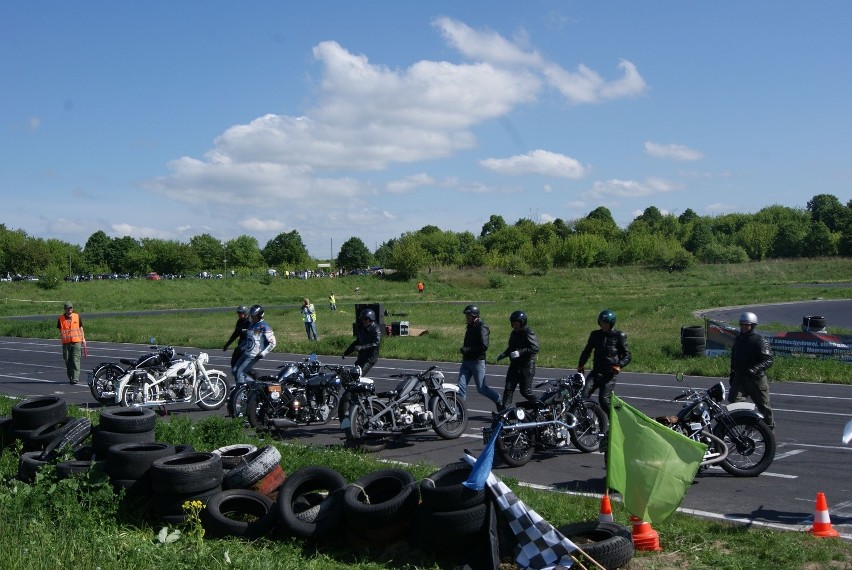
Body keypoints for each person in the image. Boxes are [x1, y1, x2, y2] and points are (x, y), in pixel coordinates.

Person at [578, 309, 631, 416]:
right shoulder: (595, 335)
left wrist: (619, 365)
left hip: (609, 375)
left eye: (606, 323)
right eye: (602, 322)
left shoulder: (619, 336)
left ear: (611, 323)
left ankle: (614, 422)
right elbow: (587, 350)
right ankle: (584, 422)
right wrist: (581, 364)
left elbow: (628, 355)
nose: (604, 325)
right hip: (595, 372)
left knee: (603, 400)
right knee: (582, 397)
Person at [729, 311, 775, 429]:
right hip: (740, 377)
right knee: (734, 401)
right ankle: (748, 419)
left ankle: (769, 430)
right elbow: (734, 357)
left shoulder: (759, 340)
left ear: (752, 325)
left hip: (756, 379)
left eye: (746, 325)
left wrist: (754, 369)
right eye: (742, 324)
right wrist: (732, 373)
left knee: (764, 406)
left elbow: (769, 359)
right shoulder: (738, 340)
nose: (744, 327)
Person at [458, 305, 502, 411]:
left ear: (474, 316)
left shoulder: (482, 327)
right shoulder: (470, 326)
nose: (467, 318)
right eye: (466, 316)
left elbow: (484, 346)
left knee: (482, 388)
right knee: (461, 386)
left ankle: (498, 399)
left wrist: (468, 350)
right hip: (466, 361)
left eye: (468, 316)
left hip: (477, 362)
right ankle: (459, 412)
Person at [496, 310, 540, 408]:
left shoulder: (528, 332)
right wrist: (504, 354)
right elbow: (512, 347)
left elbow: (535, 348)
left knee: (525, 391)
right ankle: (505, 411)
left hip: (527, 365)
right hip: (515, 365)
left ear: (522, 323)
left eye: (517, 324)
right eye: (513, 324)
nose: (515, 326)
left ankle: (542, 405)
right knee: (508, 388)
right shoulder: (513, 333)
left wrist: (520, 352)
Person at [233, 305, 276, 384]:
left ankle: (241, 394)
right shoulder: (252, 325)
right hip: (246, 353)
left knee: (240, 373)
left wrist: (263, 353)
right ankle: (255, 385)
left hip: (254, 355)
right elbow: (250, 340)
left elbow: (273, 343)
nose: (252, 317)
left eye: (254, 315)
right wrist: (243, 347)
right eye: (251, 315)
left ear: (259, 315)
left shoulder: (264, 327)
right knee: (235, 371)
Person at [343, 308, 382, 375]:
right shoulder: (362, 329)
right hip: (361, 357)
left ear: (371, 319)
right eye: (363, 319)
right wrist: (347, 352)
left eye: (366, 319)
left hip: (370, 358)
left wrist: (362, 347)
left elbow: (376, 343)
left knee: (358, 374)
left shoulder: (376, 329)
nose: (363, 321)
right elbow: (357, 341)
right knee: (352, 373)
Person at [57, 301, 86, 384]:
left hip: (76, 341)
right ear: (65, 309)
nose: (69, 310)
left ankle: (75, 378)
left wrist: (83, 339)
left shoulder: (77, 316)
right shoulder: (61, 318)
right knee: (67, 360)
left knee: (75, 360)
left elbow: (81, 328)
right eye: (68, 308)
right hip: (66, 343)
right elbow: (60, 330)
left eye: (71, 308)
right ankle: (70, 376)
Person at [222, 305, 250, 371]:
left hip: (248, 344)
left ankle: (252, 375)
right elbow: (235, 334)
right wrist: (227, 344)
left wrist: (243, 330)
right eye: (238, 313)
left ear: (246, 313)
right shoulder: (239, 321)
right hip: (241, 344)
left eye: (241, 313)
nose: (239, 315)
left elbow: (253, 332)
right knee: (234, 362)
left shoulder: (250, 321)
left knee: (242, 364)